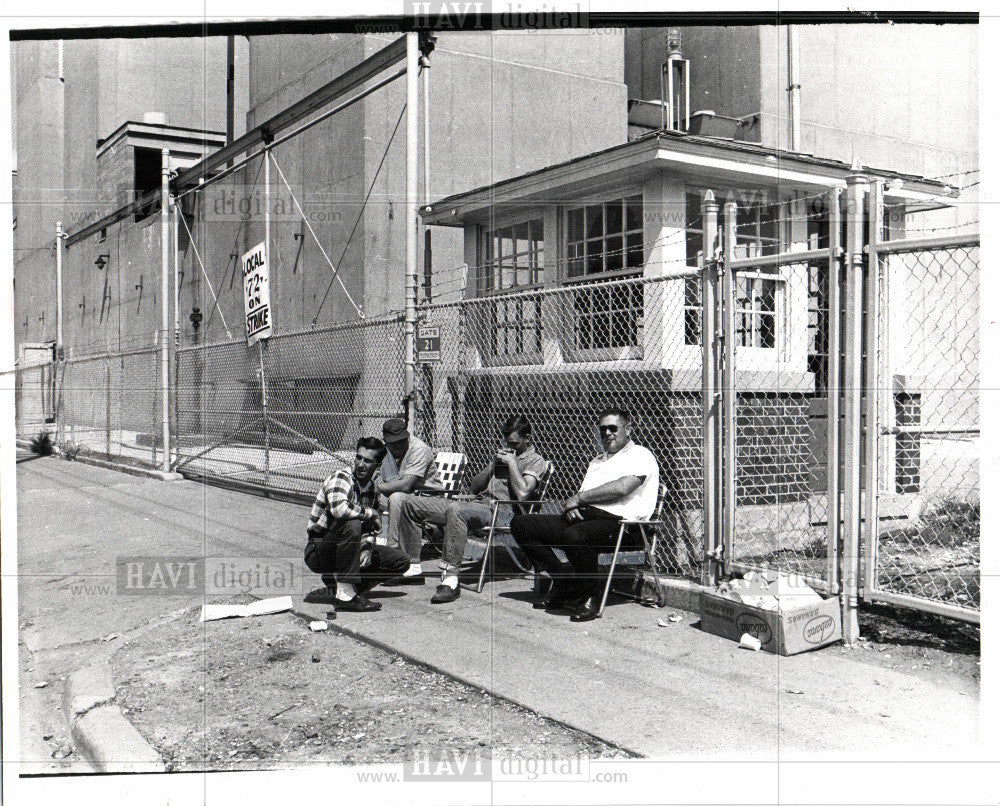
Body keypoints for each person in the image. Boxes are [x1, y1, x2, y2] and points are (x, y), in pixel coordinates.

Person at [510, 407, 659, 622]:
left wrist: (578, 500)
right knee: (523, 524)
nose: (607, 433)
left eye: (613, 428)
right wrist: (573, 507)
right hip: (588, 520)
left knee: (576, 535)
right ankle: (565, 581)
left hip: (626, 526)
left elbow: (622, 488)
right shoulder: (597, 461)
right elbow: (584, 496)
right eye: (603, 429)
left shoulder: (641, 455)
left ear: (628, 430)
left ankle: (590, 593)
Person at [395, 415, 549, 604]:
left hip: (504, 513)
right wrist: (492, 466)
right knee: (411, 503)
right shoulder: (504, 457)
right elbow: (474, 488)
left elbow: (524, 494)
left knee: (457, 509)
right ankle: (413, 566)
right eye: (507, 443)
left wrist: (512, 464)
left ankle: (450, 579)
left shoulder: (535, 460)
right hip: (478, 504)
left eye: (515, 444)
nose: (511, 448)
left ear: (528, 439)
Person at [303, 437, 409, 612]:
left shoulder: (372, 489)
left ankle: (345, 589)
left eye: (367, 461)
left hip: (348, 550)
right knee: (351, 523)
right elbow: (339, 510)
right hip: (320, 550)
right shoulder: (342, 477)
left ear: (377, 465)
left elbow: (370, 528)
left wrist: (367, 546)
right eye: (358, 458)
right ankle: (346, 597)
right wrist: (371, 513)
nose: (360, 464)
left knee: (400, 561)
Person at [377, 417, 439, 584]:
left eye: (401, 441)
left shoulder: (418, 449)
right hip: (404, 496)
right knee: (368, 495)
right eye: (392, 442)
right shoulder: (385, 452)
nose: (397, 446)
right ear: (386, 441)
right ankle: (367, 552)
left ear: (407, 436)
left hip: (430, 499)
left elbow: (405, 486)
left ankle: (402, 563)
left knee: (398, 498)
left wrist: (378, 487)